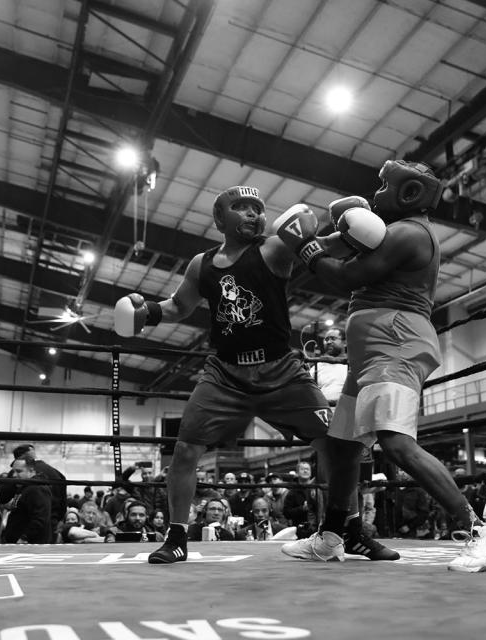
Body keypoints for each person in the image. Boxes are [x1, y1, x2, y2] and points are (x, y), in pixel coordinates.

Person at [115, 185, 393, 564]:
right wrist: (146, 311)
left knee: (336, 447)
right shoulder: (203, 263)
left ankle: (352, 531)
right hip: (224, 374)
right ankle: (176, 538)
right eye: (241, 207)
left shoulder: (275, 248)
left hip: (283, 370)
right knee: (184, 451)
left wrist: (353, 227)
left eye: (257, 208)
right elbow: (179, 306)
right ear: (219, 219)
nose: (252, 214)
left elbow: (330, 248)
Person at [270, 160, 486, 571]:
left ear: (409, 193)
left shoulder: (409, 233)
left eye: (383, 186)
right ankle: (330, 537)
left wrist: (306, 246)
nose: (376, 194)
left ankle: (482, 533)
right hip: (370, 351)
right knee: (343, 448)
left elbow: (345, 277)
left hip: (395, 342)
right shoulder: (387, 232)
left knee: (395, 441)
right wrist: (327, 238)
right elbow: (340, 250)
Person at [2, 457, 52, 544]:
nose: (14, 475)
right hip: (18, 542)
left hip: (29, 545)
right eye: (13, 471)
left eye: (18, 471)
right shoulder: (24, 487)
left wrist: (25, 538)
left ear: (31, 470)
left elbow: (40, 518)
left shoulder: (37, 488)